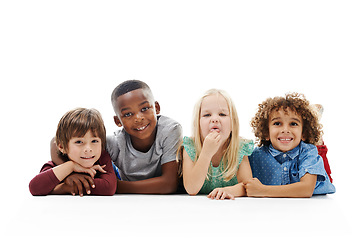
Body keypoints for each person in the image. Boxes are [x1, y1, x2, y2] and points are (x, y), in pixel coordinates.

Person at [246, 93, 335, 197]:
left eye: (293, 124)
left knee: (319, 150)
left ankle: (317, 128)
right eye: (277, 123)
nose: (285, 130)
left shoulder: (308, 151)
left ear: (303, 133)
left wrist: (263, 190)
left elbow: (306, 189)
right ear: (266, 132)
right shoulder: (254, 156)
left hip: (318, 183)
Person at [107, 80, 182, 194]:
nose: (138, 118)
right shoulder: (114, 142)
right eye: (128, 114)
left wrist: (117, 186)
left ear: (156, 108)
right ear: (118, 121)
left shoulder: (170, 130)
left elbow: (170, 184)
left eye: (144, 109)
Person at [178, 89, 253, 200]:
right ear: (197, 124)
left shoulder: (240, 148)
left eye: (222, 114)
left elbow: (247, 186)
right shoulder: (190, 146)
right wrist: (206, 153)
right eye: (207, 115)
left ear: (233, 124)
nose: (214, 119)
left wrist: (228, 191)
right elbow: (191, 189)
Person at [29, 108, 117, 196]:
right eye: (79, 142)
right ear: (61, 147)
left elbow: (108, 187)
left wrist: (64, 187)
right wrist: (71, 166)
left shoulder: (102, 158)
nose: (88, 149)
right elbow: (35, 188)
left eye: (94, 141)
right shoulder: (56, 166)